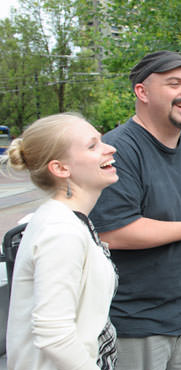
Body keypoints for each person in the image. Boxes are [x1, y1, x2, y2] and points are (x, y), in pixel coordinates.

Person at [89, 51, 181, 370]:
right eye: (174, 83)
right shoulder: (120, 150)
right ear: (142, 92)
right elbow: (114, 232)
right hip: (134, 325)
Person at [4, 113, 119, 370]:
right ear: (60, 168)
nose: (110, 148)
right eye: (93, 146)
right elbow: (54, 335)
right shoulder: (60, 232)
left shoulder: (68, 220)